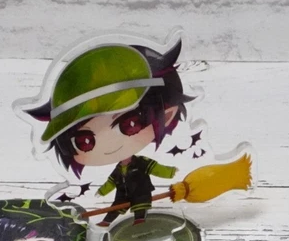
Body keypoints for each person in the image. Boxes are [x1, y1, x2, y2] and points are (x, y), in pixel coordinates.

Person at [25, 40, 194, 227]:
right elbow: (111, 182)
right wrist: (102, 192)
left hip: (141, 193)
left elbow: (156, 168)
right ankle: (107, 221)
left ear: (167, 115)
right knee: (116, 206)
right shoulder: (118, 170)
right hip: (122, 194)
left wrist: (172, 173)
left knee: (140, 205)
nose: (110, 144)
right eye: (85, 141)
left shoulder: (142, 163)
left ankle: (139, 220)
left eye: (130, 124)